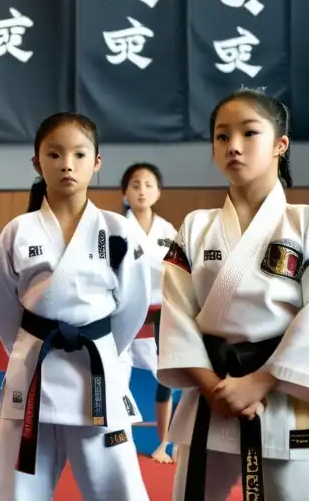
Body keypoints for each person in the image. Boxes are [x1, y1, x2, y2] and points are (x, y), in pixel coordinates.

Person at [157, 88, 309, 501]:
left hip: (280, 395)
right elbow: (175, 312)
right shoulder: (194, 227)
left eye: (249, 133)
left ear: (281, 144)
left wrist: (260, 381)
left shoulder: (305, 223)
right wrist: (212, 387)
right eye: (222, 137)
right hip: (211, 397)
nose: (234, 147)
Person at [0, 112, 152, 501]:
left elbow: (132, 308)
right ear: (36, 162)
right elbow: (3, 307)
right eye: (55, 154)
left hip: (94, 368)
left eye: (79, 155)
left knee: (119, 486)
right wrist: (27, 348)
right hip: (34, 370)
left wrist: (99, 344)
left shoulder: (119, 231)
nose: (67, 164)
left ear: (96, 163)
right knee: (18, 489)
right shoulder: (17, 231)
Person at [119, 162, 179, 464]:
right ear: (126, 193)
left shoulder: (168, 230)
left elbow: (178, 272)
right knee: (118, 377)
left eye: (148, 185)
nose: (142, 190)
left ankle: (165, 444)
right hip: (126, 313)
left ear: (158, 192)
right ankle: (120, 440)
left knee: (166, 377)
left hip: (160, 312)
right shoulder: (115, 228)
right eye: (135, 185)